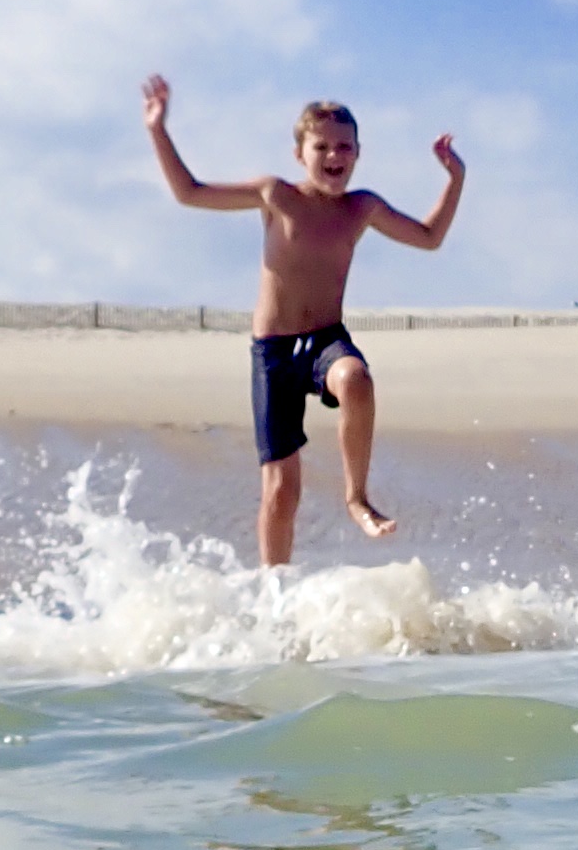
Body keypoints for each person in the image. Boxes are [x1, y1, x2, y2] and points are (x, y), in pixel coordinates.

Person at [141, 79, 465, 563]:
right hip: (273, 352)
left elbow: (430, 237)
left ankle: (356, 496)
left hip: (325, 342)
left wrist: (454, 179)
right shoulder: (276, 195)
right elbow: (189, 193)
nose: (334, 155)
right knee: (281, 490)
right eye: (322, 146)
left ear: (357, 154)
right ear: (300, 153)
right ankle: (275, 590)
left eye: (344, 147)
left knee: (356, 378)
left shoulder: (362, 208)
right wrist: (158, 129)